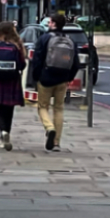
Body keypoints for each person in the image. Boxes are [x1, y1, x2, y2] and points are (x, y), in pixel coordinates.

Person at [30, 12, 79, 153]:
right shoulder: (69, 40)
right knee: (59, 109)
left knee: (43, 107)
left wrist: (36, 77)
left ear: (53, 24)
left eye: (50, 22)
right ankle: (56, 142)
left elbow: (37, 60)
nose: (48, 23)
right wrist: (69, 77)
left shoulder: (44, 38)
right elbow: (75, 63)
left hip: (46, 78)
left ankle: (49, 128)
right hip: (62, 79)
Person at [0, 21, 26, 151]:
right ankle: (6, 133)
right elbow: (22, 64)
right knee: (9, 110)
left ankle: (3, 132)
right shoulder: (17, 45)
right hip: (13, 81)